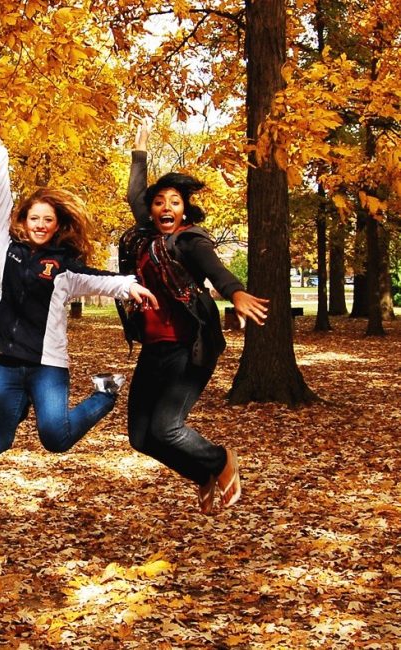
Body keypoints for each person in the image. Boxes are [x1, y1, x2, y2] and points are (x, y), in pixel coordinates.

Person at [0, 111, 158, 458]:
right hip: (9, 360)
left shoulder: (62, 267)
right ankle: (21, 400)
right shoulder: (8, 246)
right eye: (34, 218)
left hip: (47, 365)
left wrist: (129, 286)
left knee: (56, 439)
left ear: (57, 226)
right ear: (24, 221)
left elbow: (98, 280)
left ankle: (105, 393)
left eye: (48, 220)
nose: (40, 225)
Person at [119, 122, 269, 515]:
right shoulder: (147, 237)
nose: (165, 207)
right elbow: (135, 194)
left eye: (174, 202)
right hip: (153, 350)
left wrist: (235, 292)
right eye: (159, 202)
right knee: (141, 436)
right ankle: (202, 475)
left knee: (167, 428)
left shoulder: (189, 240)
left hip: (189, 348)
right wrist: (139, 154)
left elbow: (214, 269)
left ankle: (219, 461)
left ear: (184, 209)